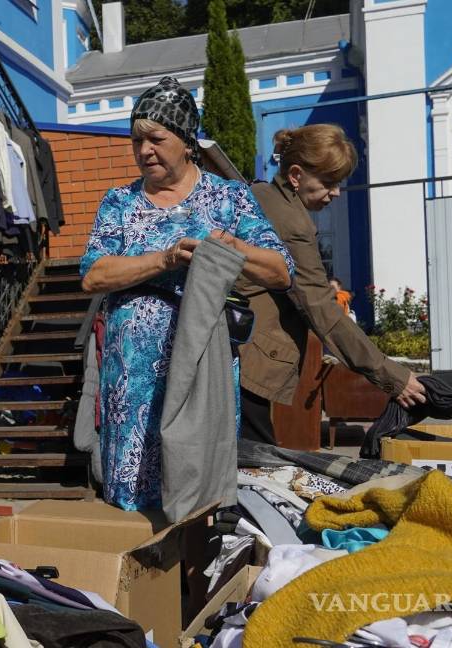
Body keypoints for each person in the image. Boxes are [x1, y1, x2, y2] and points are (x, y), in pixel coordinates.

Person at [80, 77, 294, 511]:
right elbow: (94, 275)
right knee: (133, 497)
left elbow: (280, 270)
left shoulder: (228, 199)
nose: (144, 151)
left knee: (199, 488)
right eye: (136, 141)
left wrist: (231, 248)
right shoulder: (119, 202)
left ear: (186, 141)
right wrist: (165, 259)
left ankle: (197, 549)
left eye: (156, 139)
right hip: (132, 382)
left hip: (201, 370)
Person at [236, 125, 427, 446]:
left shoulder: (261, 195)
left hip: (234, 352)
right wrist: (394, 377)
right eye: (328, 182)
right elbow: (322, 309)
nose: (336, 193)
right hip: (247, 362)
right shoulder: (292, 223)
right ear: (296, 175)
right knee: (256, 464)